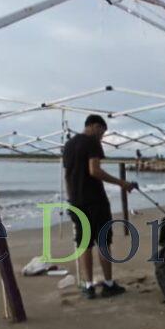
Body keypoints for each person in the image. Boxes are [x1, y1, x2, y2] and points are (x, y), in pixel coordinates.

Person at [62, 114, 136, 299]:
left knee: (84, 243)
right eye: (102, 132)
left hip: (76, 201)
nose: (102, 136)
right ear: (94, 126)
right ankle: (109, 284)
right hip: (95, 201)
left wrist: (72, 197)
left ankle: (88, 286)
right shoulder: (92, 142)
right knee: (103, 242)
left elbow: (68, 174)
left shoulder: (69, 145)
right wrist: (122, 183)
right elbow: (94, 170)